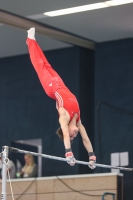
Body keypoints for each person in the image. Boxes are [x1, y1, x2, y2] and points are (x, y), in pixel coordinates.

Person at [26, 27, 96, 168]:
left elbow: (65, 134)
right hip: (61, 85)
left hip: (51, 88)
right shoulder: (78, 122)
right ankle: (32, 40)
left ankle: (29, 40)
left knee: (39, 65)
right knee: (46, 64)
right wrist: (92, 157)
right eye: (73, 137)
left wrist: (68, 153)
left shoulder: (63, 117)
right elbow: (86, 139)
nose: (73, 135)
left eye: (71, 136)